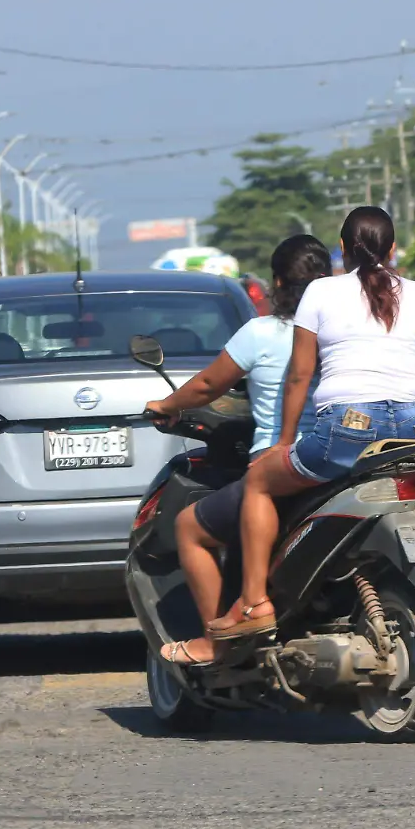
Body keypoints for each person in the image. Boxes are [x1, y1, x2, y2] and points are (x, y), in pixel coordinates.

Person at [221, 206, 415, 639]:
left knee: (257, 482)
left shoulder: (321, 293)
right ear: (393, 248)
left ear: (342, 249)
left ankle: (254, 602)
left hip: (347, 430)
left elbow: (299, 376)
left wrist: (283, 442)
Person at [143, 235, 332, 666]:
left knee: (190, 527)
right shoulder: (345, 333)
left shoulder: (262, 332)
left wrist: (167, 406)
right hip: (343, 455)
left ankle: (218, 641)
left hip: (281, 464)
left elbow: (209, 385)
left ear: (277, 282)